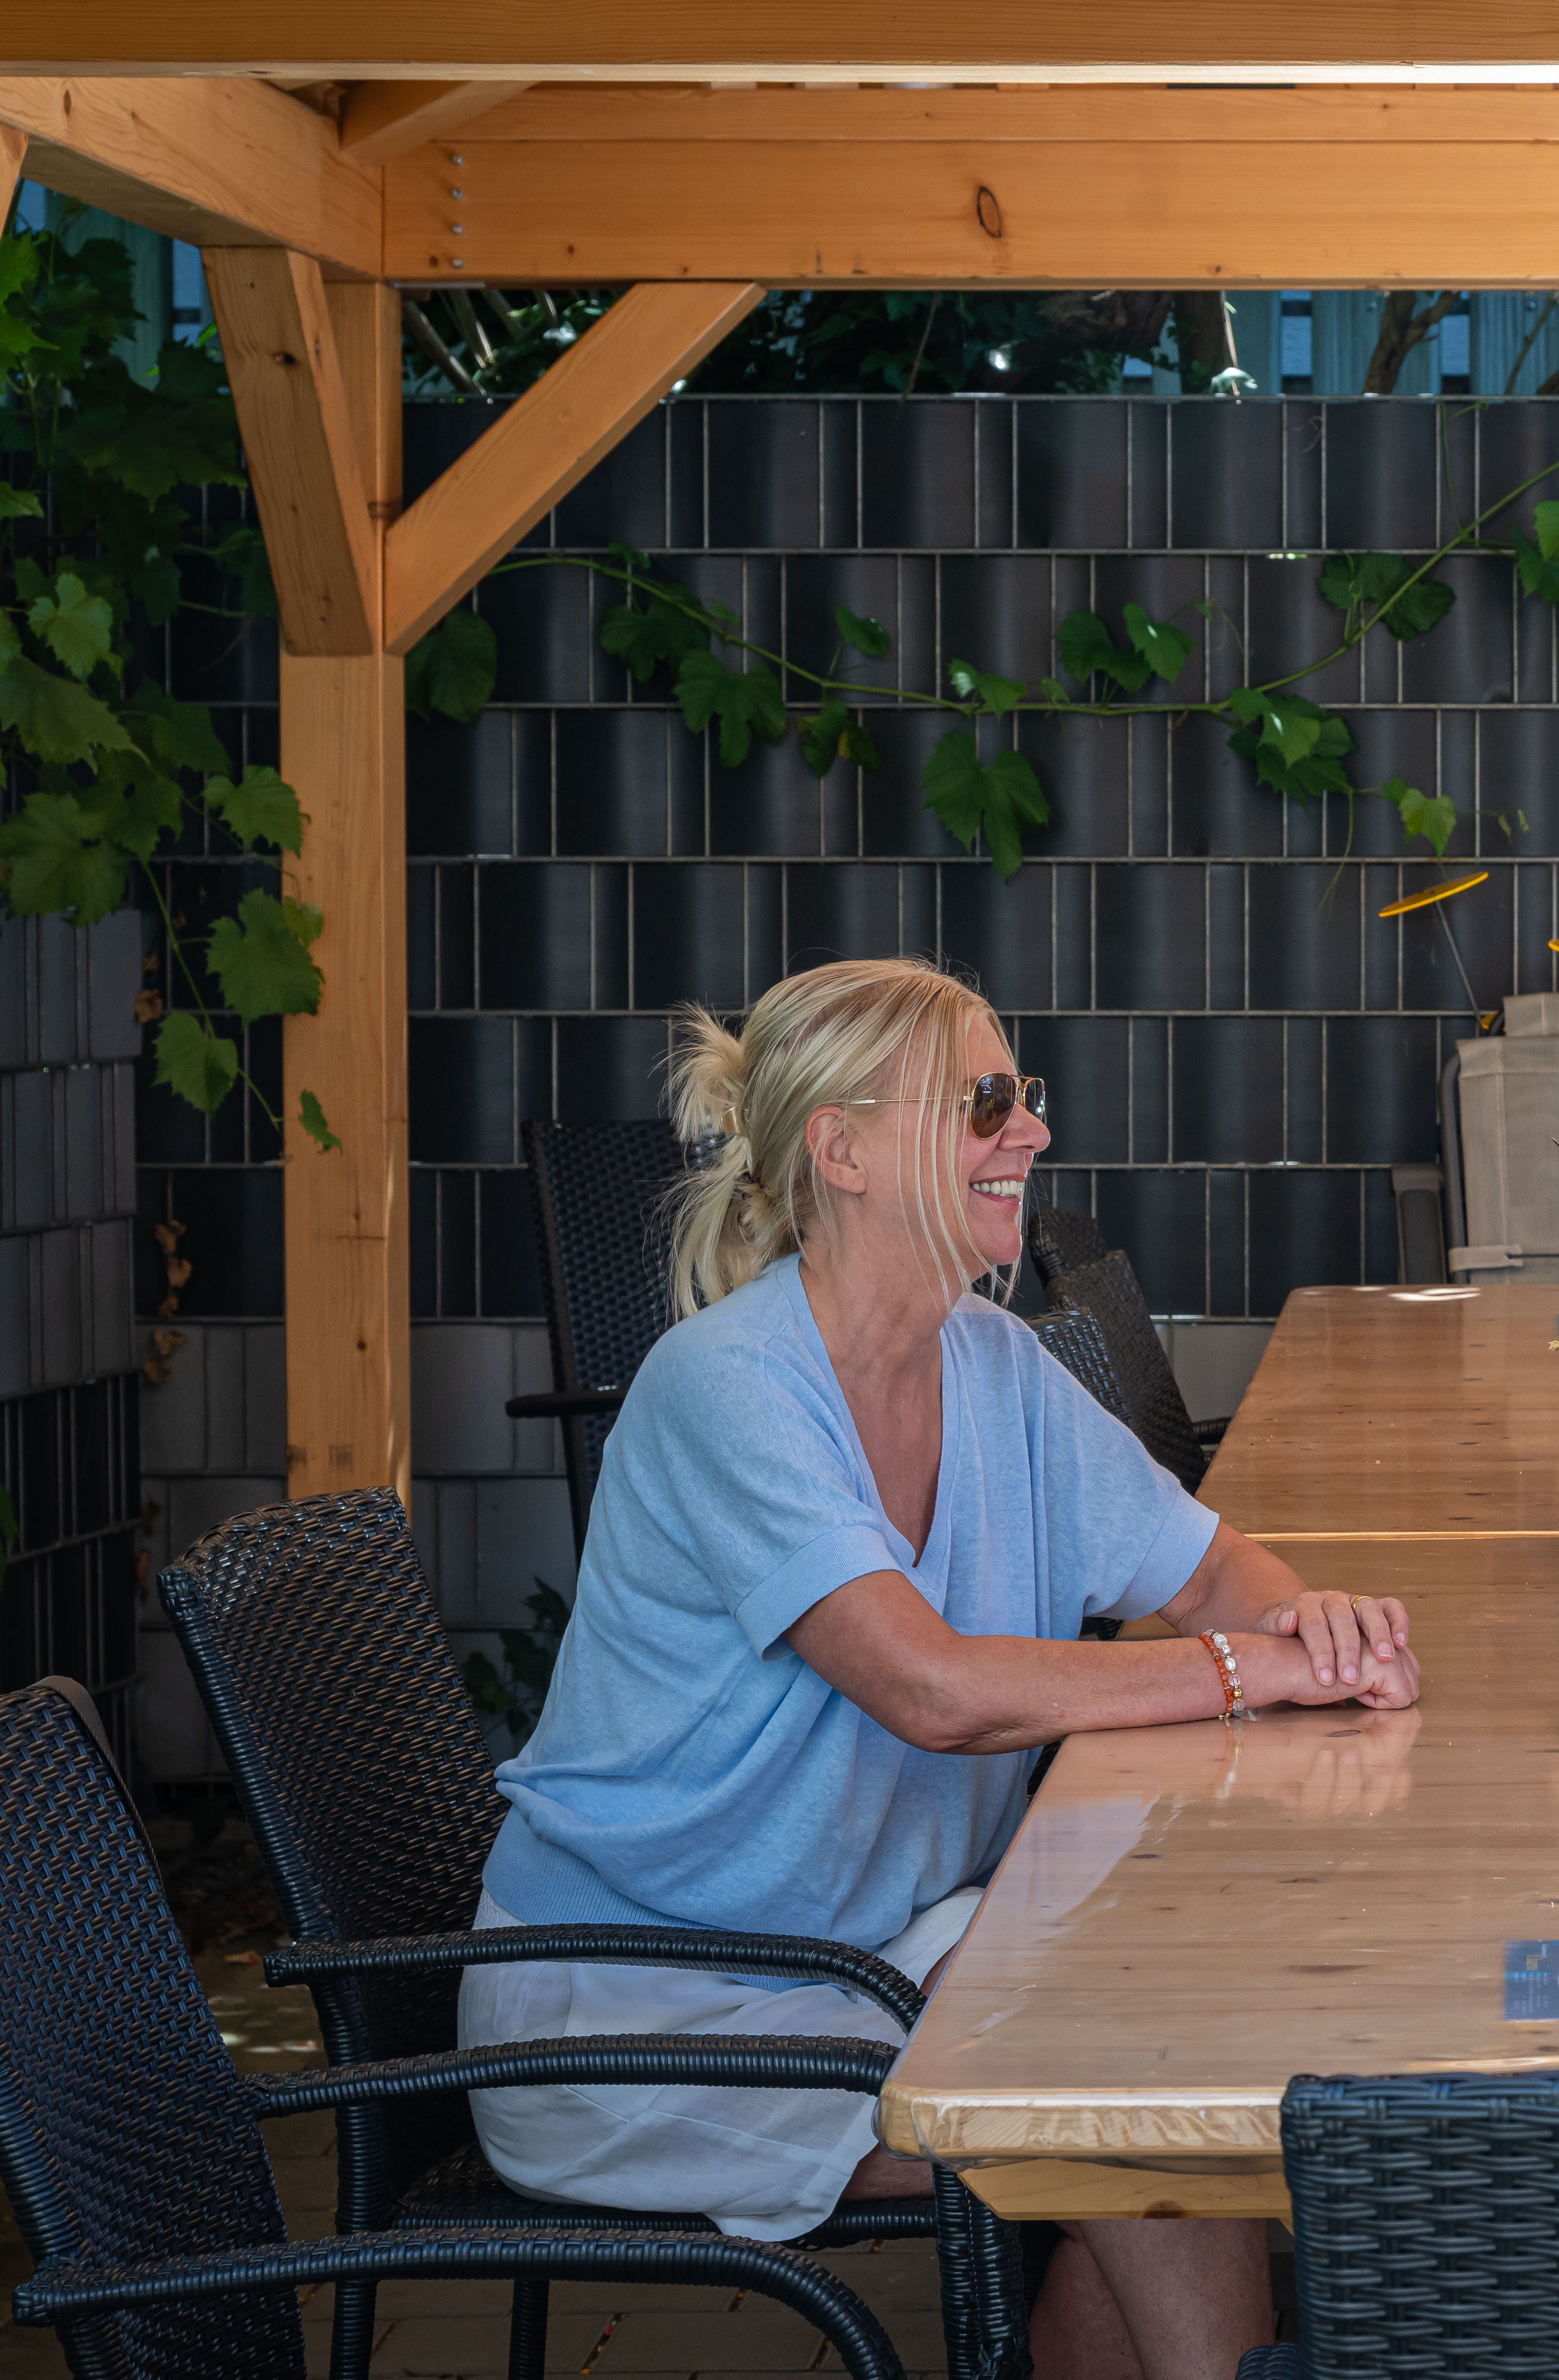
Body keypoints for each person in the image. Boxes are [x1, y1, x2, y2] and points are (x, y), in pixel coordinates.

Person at [464, 958, 1420, 2380]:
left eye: (1021, 1094)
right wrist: (1245, 1670)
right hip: (639, 2007)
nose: (1032, 1128)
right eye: (984, 1101)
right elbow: (933, 1689)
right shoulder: (730, 1386)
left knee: (1161, 2035)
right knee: (1121, 2111)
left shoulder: (995, 1364)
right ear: (841, 1150)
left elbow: (1212, 1569)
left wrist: (1318, 1629)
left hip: (864, 1946)